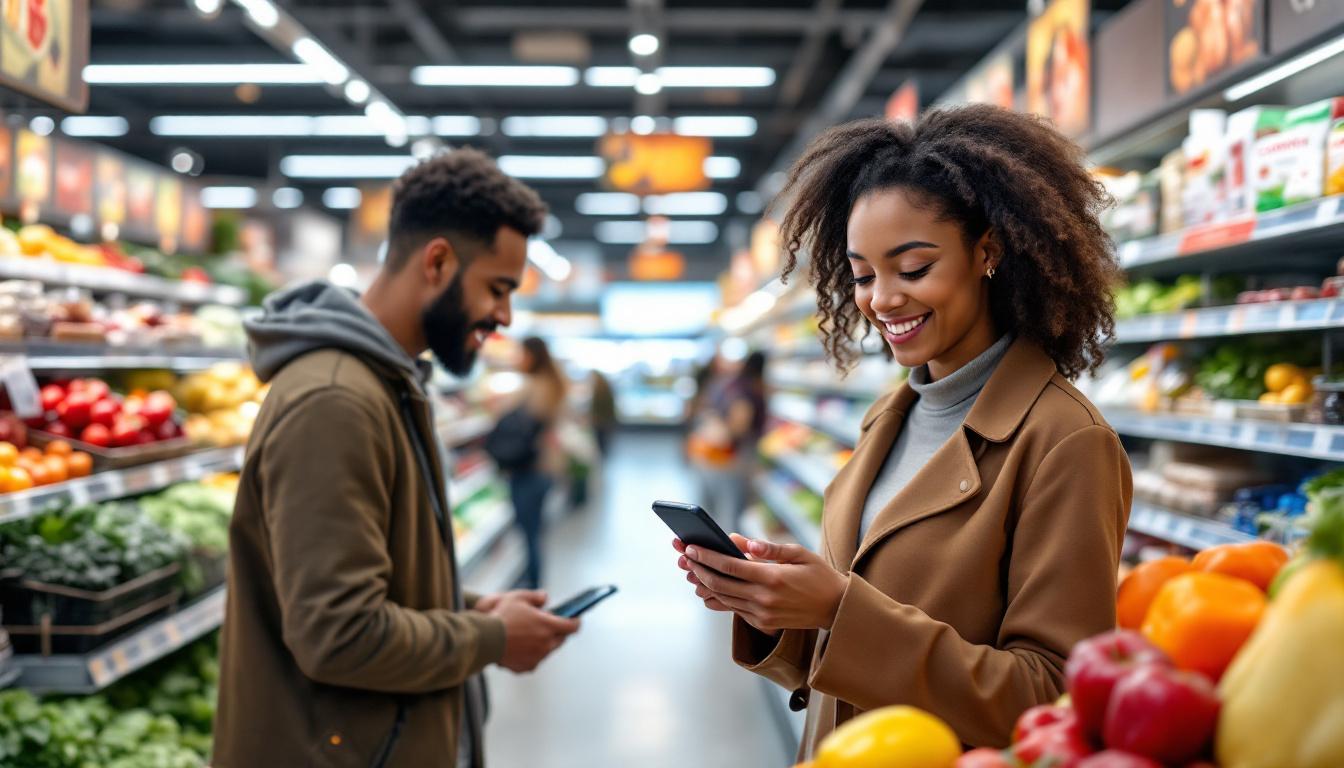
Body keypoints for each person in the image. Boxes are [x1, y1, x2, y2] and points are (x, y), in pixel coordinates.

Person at [673, 105, 1131, 757]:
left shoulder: (1064, 441)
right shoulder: (888, 417)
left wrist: (838, 608)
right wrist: (775, 610)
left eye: (912, 269)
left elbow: (1052, 698)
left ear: (988, 253)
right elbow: (849, 656)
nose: (881, 299)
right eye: (862, 274)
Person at [214, 149, 580, 768]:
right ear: (437, 261)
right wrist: (492, 639)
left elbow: (363, 584)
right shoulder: (336, 400)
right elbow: (339, 634)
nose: (505, 316)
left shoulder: (387, 385)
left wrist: (463, 609)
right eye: (498, 288)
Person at [507, 336, 568, 590]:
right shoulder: (556, 384)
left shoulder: (535, 387)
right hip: (547, 467)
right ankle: (533, 579)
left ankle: (532, 585)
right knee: (535, 528)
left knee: (529, 530)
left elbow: (514, 422)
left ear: (531, 356)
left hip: (530, 469)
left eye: (521, 354)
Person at [687, 351, 768, 532]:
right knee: (730, 512)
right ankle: (727, 554)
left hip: (709, 456)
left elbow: (704, 409)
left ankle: (708, 551)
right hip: (731, 459)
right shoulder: (746, 389)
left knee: (712, 509)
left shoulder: (726, 384)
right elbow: (739, 425)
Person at [588, 369, 617, 457]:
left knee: (601, 443)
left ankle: (601, 457)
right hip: (604, 422)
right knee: (603, 443)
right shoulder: (603, 390)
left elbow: (603, 409)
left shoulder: (600, 392)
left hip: (601, 422)